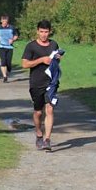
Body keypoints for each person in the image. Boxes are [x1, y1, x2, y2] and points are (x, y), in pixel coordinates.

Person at [21, 19, 62, 152]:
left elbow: (56, 61)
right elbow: (25, 64)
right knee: (38, 112)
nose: (44, 34)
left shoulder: (54, 44)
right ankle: (39, 134)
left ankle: (47, 140)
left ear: (50, 32)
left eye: (46, 32)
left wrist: (57, 59)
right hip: (36, 82)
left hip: (51, 82)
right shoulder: (31, 46)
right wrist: (41, 60)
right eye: (42, 32)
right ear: (37, 31)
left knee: (49, 109)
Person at [0, 14, 19, 83]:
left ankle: (9, 67)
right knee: (3, 61)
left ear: (7, 21)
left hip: (9, 47)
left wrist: (12, 40)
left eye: (5, 21)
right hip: (1, 46)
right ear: (1, 21)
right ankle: (5, 77)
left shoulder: (12, 27)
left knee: (8, 62)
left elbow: (16, 35)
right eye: (3, 21)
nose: (4, 22)